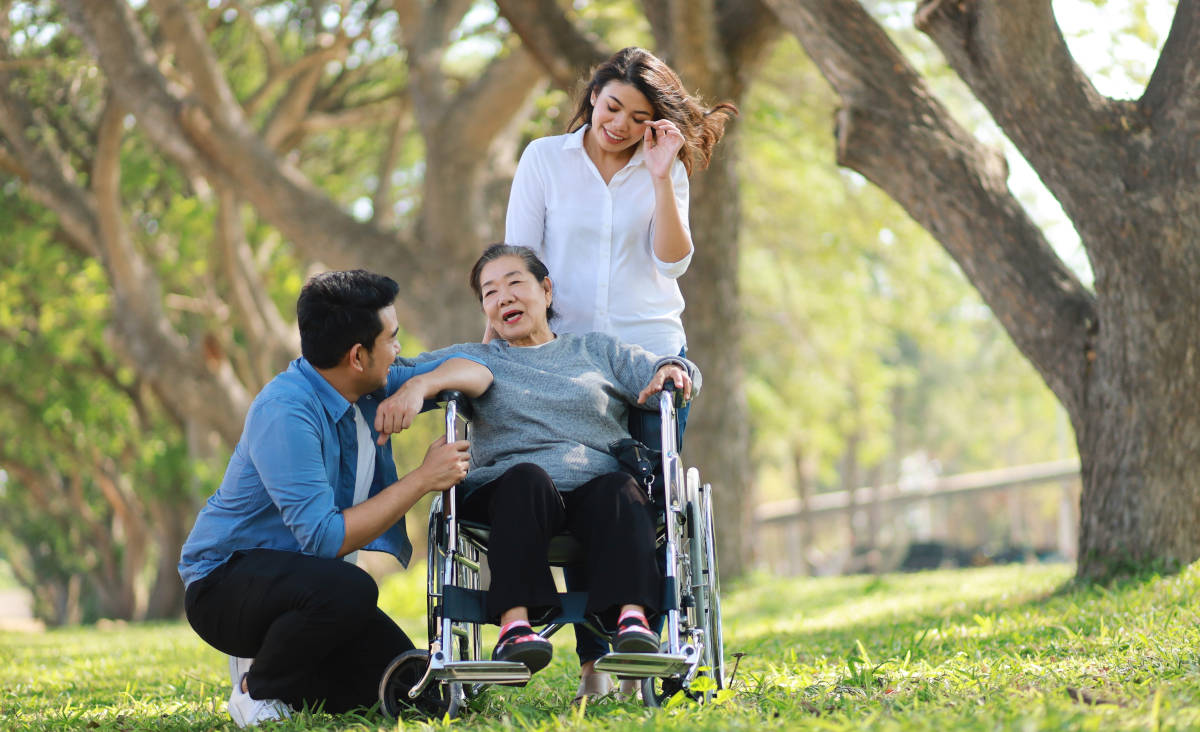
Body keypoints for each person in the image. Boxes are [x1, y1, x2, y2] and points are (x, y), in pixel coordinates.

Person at [503, 45, 735, 697]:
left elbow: (673, 262)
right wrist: (498, 349)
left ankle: (643, 649)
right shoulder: (545, 160)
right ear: (593, 97)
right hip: (568, 363)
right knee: (584, 495)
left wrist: (660, 176)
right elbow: (518, 259)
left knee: (645, 504)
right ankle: (592, 666)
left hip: (650, 358)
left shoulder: (664, 167)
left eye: (638, 117)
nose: (620, 125)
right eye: (612, 108)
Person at [178, 270, 492, 727]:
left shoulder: (374, 382)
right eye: (392, 339)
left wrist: (419, 387)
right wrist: (423, 479)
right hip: (224, 586)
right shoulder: (286, 411)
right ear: (358, 356)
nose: (399, 349)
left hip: (315, 591)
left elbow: (477, 368)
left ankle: (292, 666)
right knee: (353, 587)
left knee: (415, 690)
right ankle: (256, 687)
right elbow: (325, 538)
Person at [381, 245, 699, 680]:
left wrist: (670, 371)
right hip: (510, 496)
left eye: (515, 283)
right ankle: (515, 626)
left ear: (546, 290)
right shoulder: (478, 357)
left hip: (596, 494)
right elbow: (391, 371)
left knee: (621, 487)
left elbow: (674, 370)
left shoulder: (596, 350)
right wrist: (410, 382)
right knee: (527, 479)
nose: (504, 297)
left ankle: (632, 620)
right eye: (490, 292)